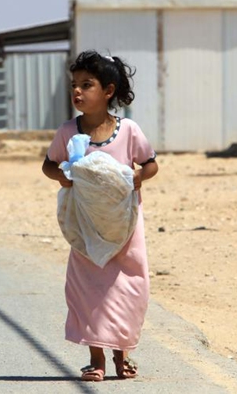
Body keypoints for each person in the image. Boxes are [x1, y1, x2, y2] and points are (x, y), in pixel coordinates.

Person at [42, 50, 159, 382]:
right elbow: (48, 164)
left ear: (108, 91)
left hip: (125, 225)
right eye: (74, 85)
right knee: (88, 288)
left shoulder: (128, 131)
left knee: (127, 287)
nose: (77, 91)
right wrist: (62, 176)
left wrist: (138, 177)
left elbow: (150, 163)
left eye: (87, 84)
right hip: (86, 224)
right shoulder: (68, 131)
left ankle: (122, 356)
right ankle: (96, 359)